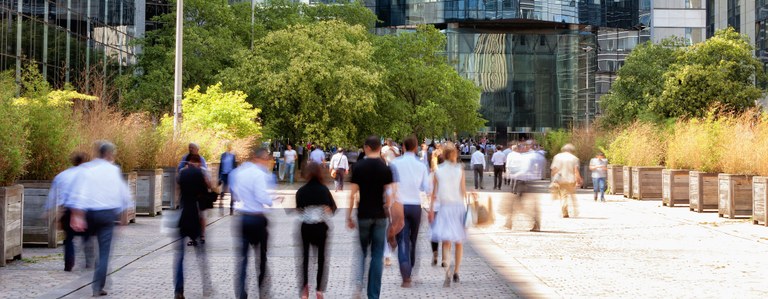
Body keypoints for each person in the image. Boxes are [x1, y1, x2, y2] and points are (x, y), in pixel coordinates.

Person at [68, 141, 133, 297]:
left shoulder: (88, 169)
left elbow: (80, 193)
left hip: (90, 214)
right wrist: (124, 217)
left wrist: (77, 215)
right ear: (109, 154)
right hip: (107, 215)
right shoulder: (114, 170)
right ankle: (98, 287)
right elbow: (124, 195)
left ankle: (85, 263)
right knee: (104, 253)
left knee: (88, 241)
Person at [229, 147, 281, 299]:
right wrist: (272, 201)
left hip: (243, 218)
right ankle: (262, 290)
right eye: (266, 159)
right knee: (261, 258)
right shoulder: (259, 174)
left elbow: (235, 191)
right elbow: (261, 197)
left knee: (243, 259)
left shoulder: (239, 172)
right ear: (259, 158)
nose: (267, 163)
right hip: (257, 219)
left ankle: (241, 293)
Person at [347, 136, 395, 299]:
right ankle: (373, 294)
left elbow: (352, 195)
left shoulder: (359, 167)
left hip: (363, 215)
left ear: (367, 147)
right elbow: (389, 197)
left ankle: (358, 286)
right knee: (377, 255)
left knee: (361, 252)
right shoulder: (385, 168)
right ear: (379, 148)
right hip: (379, 216)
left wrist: (348, 216)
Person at [390, 136, 431, 288]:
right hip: (415, 206)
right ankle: (411, 270)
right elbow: (426, 187)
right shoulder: (421, 166)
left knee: (402, 240)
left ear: (403, 147)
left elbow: (389, 187)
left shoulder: (395, 163)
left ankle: (405, 276)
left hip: (399, 205)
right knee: (413, 240)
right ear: (415, 148)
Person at [295, 163, 337, 299]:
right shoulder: (324, 190)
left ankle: (304, 288)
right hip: (321, 227)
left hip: (306, 227)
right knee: (321, 259)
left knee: (304, 259)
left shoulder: (301, 191)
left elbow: (299, 209)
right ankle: (319, 290)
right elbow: (333, 208)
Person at [428, 142, 466, 287]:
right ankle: (456, 271)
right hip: (457, 207)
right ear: (455, 154)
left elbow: (433, 194)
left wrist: (431, 210)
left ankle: (448, 270)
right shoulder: (460, 170)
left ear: (443, 155)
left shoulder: (438, 171)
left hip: (444, 208)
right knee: (459, 241)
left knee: (446, 240)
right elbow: (462, 191)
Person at [174, 154, 213, 299]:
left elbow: (178, 191)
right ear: (197, 162)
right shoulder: (200, 174)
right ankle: (206, 286)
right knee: (201, 255)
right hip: (195, 217)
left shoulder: (182, 174)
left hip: (184, 216)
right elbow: (208, 190)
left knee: (180, 257)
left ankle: (178, 290)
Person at [47, 152, 93, 272]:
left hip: (67, 209)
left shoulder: (62, 175)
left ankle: (69, 263)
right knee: (87, 236)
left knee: (68, 238)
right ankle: (89, 261)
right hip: (86, 209)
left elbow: (53, 195)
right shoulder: (89, 175)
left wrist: (49, 209)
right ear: (84, 161)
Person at [551, 144, 583, 218]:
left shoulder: (557, 157)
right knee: (572, 195)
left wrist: (553, 180)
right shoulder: (574, 158)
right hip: (571, 180)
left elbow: (554, 169)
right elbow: (576, 171)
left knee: (563, 196)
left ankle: (565, 212)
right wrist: (579, 179)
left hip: (561, 179)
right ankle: (575, 211)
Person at [219, 143, 238, 214]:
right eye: (227, 146)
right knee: (222, 192)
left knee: (232, 192)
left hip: (231, 175)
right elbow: (220, 167)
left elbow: (235, 167)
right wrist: (219, 177)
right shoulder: (223, 155)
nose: (228, 148)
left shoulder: (233, 156)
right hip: (224, 175)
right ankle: (221, 207)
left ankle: (231, 208)